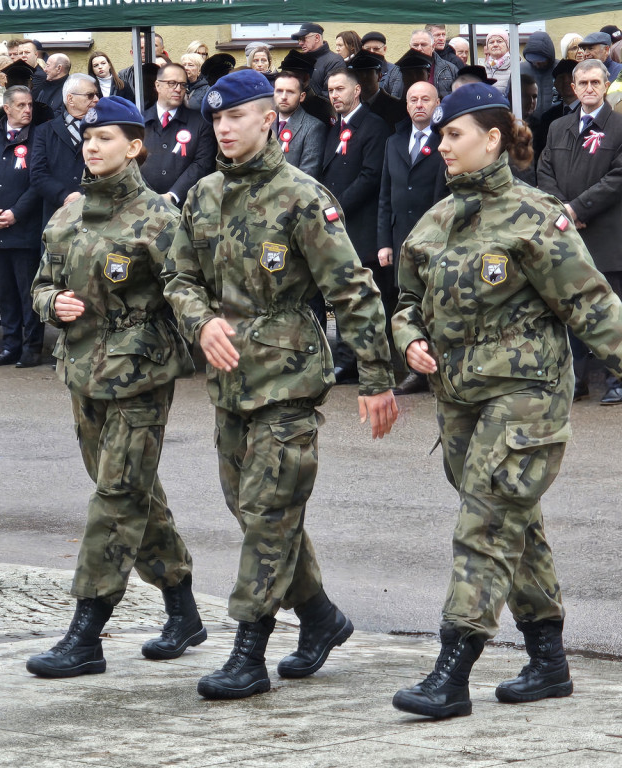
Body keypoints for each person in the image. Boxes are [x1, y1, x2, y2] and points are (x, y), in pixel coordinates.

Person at [163, 69, 397, 701]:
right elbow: (178, 279)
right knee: (253, 509)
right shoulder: (204, 195)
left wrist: (376, 377)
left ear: (269, 119)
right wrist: (201, 320)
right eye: (215, 119)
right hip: (229, 382)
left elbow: (352, 290)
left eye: (235, 117)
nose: (223, 128)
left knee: (269, 514)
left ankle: (248, 650)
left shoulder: (302, 196)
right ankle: (320, 617)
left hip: (288, 380)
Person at [391, 82, 622, 719]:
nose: (442, 146)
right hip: (460, 400)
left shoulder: (534, 216)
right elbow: (406, 304)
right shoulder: (436, 220)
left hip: (527, 398)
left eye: (454, 134)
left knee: (485, 525)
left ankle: (452, 670)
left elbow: (592, 305)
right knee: (514, 523)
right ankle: (549, 661)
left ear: (492, 139)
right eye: (439, 136)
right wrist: (409, 340)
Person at [28, 95, 203, 679]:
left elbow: (186, 287)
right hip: (82, 371)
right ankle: (183, 609)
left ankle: (87, 629)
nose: (93, 145)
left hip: (139, 376)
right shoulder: (68, 215)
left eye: (106, 137)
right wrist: (54, 303)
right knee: (133, 492)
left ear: (134, 147)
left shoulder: (159, 217)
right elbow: (39, 286)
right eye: (89, 136)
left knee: (115, 499)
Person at [537, 59, 622, 404]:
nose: (589, 88)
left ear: (605, 86)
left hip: (607, 235)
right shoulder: (558, 127)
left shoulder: (619, 127)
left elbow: (617, 177)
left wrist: (578, 208)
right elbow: (544, 172)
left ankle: (616, 377)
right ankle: (576, 377)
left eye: (595, 83)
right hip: (568, 235)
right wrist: (564, 209)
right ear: (573, 87)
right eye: (582, 83)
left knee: (610, 308)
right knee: (572, 307)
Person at [320, 68, 391, 384]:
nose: (334, 95)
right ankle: (343, 359)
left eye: (340, 89)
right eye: (331, 90)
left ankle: (369, 362)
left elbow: (370, 176)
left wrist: (334, 208)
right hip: (336, 229)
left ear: (357, 90)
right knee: (339, 299)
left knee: (363, 299)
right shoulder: (334, 128)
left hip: (360, 228)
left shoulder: (373, 126)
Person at [377, 81, 447, 395]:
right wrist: (384, 242)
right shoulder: (394, 142)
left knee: (438, 305)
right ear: (406, 106)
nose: (419, 104)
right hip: (400, 238)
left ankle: (441, 370)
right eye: (413, 99)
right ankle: (415, 371)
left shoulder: (447, 141)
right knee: (408, 304)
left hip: (436, 239)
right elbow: (385, 196)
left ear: (437, 103)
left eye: (425, 99)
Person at [0, 85, 45, 368]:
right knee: (5, 293)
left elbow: (38, 181)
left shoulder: (38, 138)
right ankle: (10, 346)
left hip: (25, 227)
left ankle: (32, 348)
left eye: (30, 105)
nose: (27, 110)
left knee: (28, 292)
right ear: (7, 108)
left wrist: (16, 213)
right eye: (21, 105)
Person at [140, 63, 215, 207]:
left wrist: (173, 195)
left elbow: (202, 163)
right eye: (172, 83)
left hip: (184, 206)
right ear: (157, 85)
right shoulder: (139, 121)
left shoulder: (200, 123)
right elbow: (130, 163)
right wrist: (147, 195)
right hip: (143, 206)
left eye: (182, 85)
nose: (178, 89)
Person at [30, 73, 98, 228]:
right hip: (56, 216)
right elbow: (38, 173)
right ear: (70, 99)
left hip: (93, 214)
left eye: (96, 94)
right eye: (90, 95)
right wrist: (65, 196)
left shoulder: (102, 130)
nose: (96, 99)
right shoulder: (45, 131)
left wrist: (82, 195)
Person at [271, 69, 326, 179]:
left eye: (290, 92)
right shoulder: (266, 122)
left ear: (302, 96)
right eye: (279, 91)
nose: (284, 97)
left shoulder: (314, 127)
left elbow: (307, 175)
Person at [292, 23, 345, 98]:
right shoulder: (298, 61)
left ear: (317, 38)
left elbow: (330, 96)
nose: (300, 43)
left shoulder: (335, 61)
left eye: (303, 39)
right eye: (299, 39)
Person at [520, 32, 559, 118]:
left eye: (541, 61)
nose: (537, 64)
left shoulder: (559, 69)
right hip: (527, 123)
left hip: (556, 123)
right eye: (533, 60)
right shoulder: (520, 70)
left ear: (549, 57)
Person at [410, 29, 457, 98]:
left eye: (423, 45)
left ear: (433, 47)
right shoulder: (400, 71)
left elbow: (459, 97)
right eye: (415, 45)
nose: (419, 48)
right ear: (410, 47)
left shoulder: (450, 69)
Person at [361, 32, 404, 98]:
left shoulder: (395, 71)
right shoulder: (357, 71)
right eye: (367, 49)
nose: (371, 52)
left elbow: (395, 101)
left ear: (384, 49)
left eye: (376, 49)